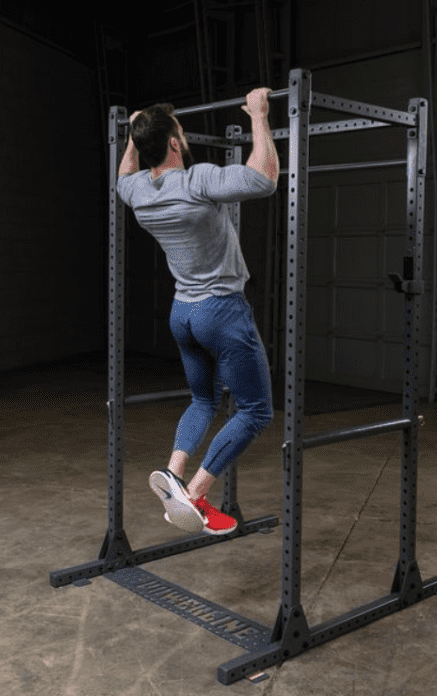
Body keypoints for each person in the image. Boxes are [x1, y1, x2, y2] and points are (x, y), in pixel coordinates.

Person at [116, 88, 279, 535]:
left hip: (183, 313)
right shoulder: (197, 180)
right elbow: (264, 178)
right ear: (173, 142)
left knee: (204, 400)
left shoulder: (135, 193)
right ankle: (197, 494)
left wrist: (133, 135)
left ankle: (173, 470)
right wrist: (259, 116)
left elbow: (123, 175)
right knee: (255, 411)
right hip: (222, 312)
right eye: (179, 132)